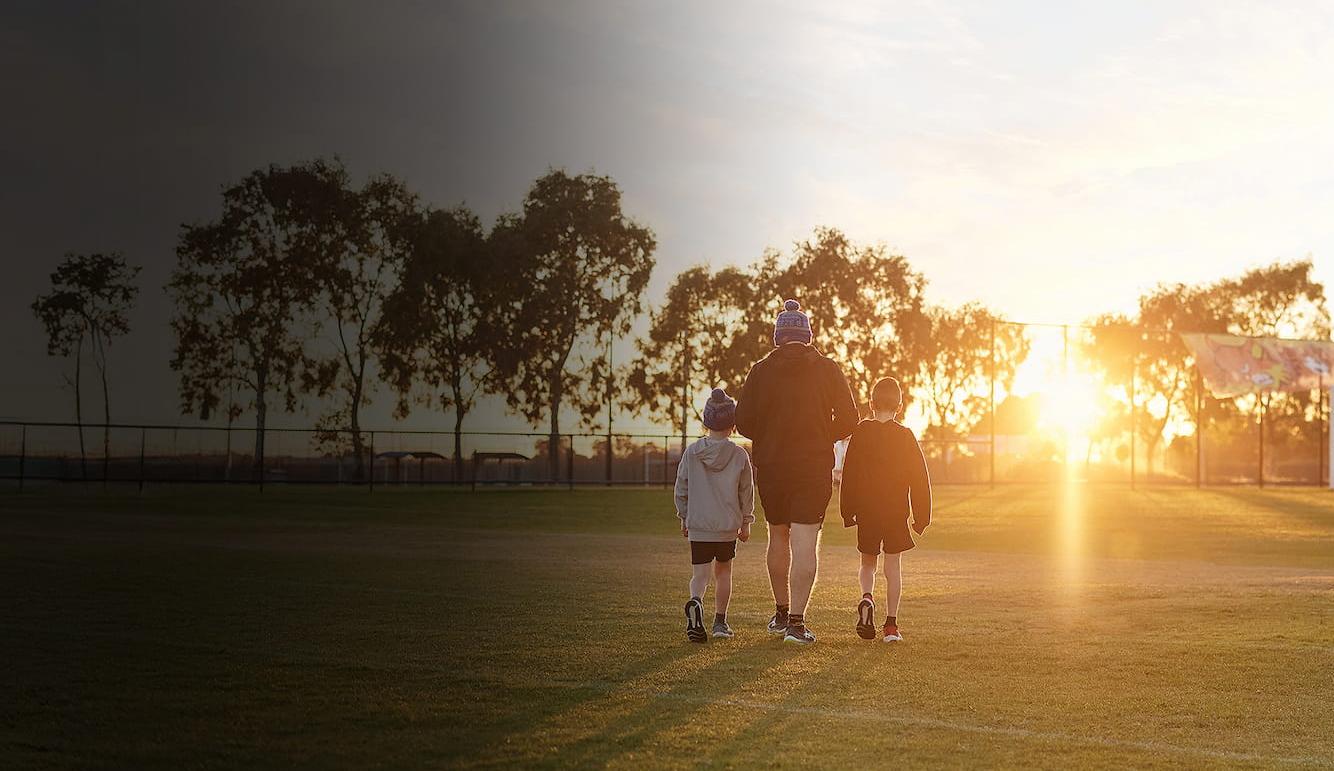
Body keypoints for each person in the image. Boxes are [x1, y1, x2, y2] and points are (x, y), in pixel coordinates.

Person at [735, 299, 859, 645]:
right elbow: (850, 419)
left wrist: (770, 435)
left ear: (779, 337)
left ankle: (780, 612)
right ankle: (797, 623)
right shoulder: (828, 369)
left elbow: (742, 420)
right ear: (807, 335)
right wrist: (822, 434)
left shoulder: (760, 370)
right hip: (812, 466)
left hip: (772, 466)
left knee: (778, 537)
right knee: (805, 542)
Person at [839, 376, 931, 643]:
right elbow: (919, 478)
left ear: (871, 403)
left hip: (867, 511)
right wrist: (921, 517)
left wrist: (848, 510)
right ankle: (891, 626)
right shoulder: (905, 436)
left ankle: (867, 597)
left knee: (868, 562)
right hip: (895, 512)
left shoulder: (861, 432)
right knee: (893, 566)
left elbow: (850, 474)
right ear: (899, 406)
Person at [674, 387, 755, 643]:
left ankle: (696, 602)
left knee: (700, 575)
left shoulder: (692, 452)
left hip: (699, 525)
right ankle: (720, 622)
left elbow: (681, 487)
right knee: (723, 573)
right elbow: (746, 492)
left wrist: (684, 517)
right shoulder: (740, 454)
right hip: (726, 527)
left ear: (706, 422)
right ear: (732, 424)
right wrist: (746, 522)